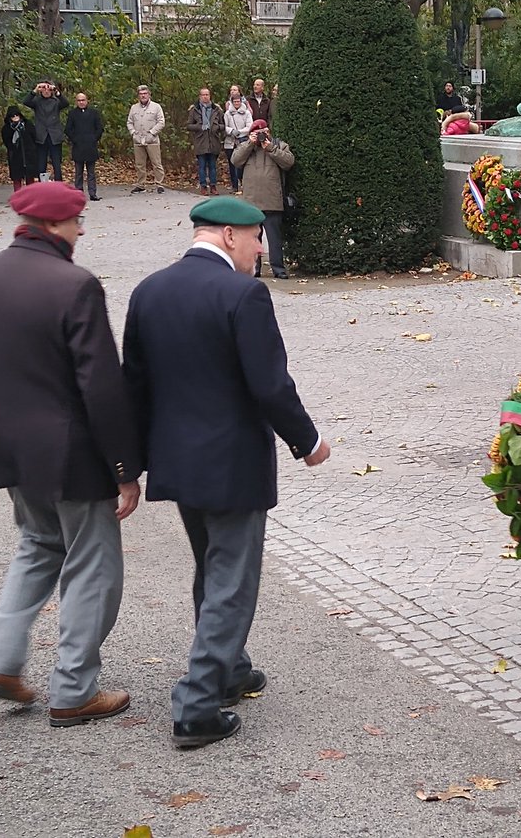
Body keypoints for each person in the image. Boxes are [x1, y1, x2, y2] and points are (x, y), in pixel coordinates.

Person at [122, 195, 330, 749]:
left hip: (177, 460)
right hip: (231, 461)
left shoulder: (149, 290)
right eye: (258, 237)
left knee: (213, 569)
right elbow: (270, 386)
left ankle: (230, 669)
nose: (263, 248)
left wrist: (130, 467)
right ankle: (196, 705)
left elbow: (133, 388)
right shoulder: (243, 293)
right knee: (233, 581)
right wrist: (307, 441)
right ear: (229, 236)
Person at [0, 180, 142, 728]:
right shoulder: (75, 284)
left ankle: (0, 661)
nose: (82, 230)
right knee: (93, 566)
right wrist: (125, 468)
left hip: (12, 445)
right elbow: (101, 386)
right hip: (73, 454)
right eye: (77, 221)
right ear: (56, 226)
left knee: (38, 545)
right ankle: (74, 690)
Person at [230, 118, 293, 279]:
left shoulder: (278, 145)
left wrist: (269, 147)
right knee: (252, 240)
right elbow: (235, 160)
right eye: (256, 133)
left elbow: (289, 162)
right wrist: (250, 143)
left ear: (268, 132)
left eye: (263, 132)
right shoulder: (246, 148)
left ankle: (278, 269)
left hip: (272, 201)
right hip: (251, 203)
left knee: (275, 240)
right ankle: (253, 269)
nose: (260, 137)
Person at [22, 80, 69, 181]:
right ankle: (42, 185)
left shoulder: (56, 102)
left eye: (49, 90)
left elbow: (66, 103)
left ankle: (58, 184)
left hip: (54, 136)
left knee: (56, 163)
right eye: (44, 89)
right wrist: (35, 90)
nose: (46, 91)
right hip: (41, 136)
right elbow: (26, 101)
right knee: (41, 164)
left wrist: (56, 91)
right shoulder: (37, 102)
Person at [65, 92, 104, 201]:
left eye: (83, 100)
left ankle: (92, 193)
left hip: (91, 146)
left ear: (87, 101)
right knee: (78, 172)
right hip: (78, 146)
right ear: (76, 102)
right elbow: (68, 129)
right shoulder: (72, 114)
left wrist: (94, 138)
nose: (81, 102)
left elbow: (99, 128)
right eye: (79, 100)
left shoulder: (94, 113)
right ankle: (78, 194)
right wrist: (75, 139)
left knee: (91, 172)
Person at [127, 85, 165, 194]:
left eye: (145, 93)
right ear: (138, 95)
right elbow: (129, 122)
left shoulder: (156, 107)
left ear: (149, 94)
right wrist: (133, 133)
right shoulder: (134, 108)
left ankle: (159, 184)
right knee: (139, 164)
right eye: (141, 94)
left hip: (152, 140)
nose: (143, 95)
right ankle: (141, 184)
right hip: (138, 140)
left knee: (156, 163)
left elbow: (161, 122)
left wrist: (152, 133)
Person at [187, 87, 224, 196]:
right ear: (200, 96)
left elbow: (224, 125)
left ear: (210, 96)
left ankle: (213, 186)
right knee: (202, 165)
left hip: (213, 141)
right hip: (200, 141)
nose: (205, 97)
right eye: (203, 95)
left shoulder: (216, 109)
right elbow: (188, 126)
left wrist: (217, 127)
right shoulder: (194, 110)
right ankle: (203, 186)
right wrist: (199, 127)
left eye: (207, 94)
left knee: (212, 166)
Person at [1, 106, 39, 194]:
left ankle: (30, 196)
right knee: (17, 178)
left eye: (16, 115)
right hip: (15, 156)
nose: (15, 117)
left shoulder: (27, 124)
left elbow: (34, 137)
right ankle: (18, 196)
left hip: (29, 155)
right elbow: (7, 142)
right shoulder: (6, 128)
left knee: (30, 177)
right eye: (13, 116)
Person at [222, 94, 252, 196]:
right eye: (235, 102)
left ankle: (244, 184)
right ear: (232, 102)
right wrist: (231, 131)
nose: (236, 103)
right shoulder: (227, 114)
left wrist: (239, 132)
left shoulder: (247, 113)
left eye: (238, 101)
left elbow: (249, 126)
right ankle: (234, 186)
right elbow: (224, 126)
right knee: (232, 164)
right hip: (230, 141)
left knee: (242, 164)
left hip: (242, 140)